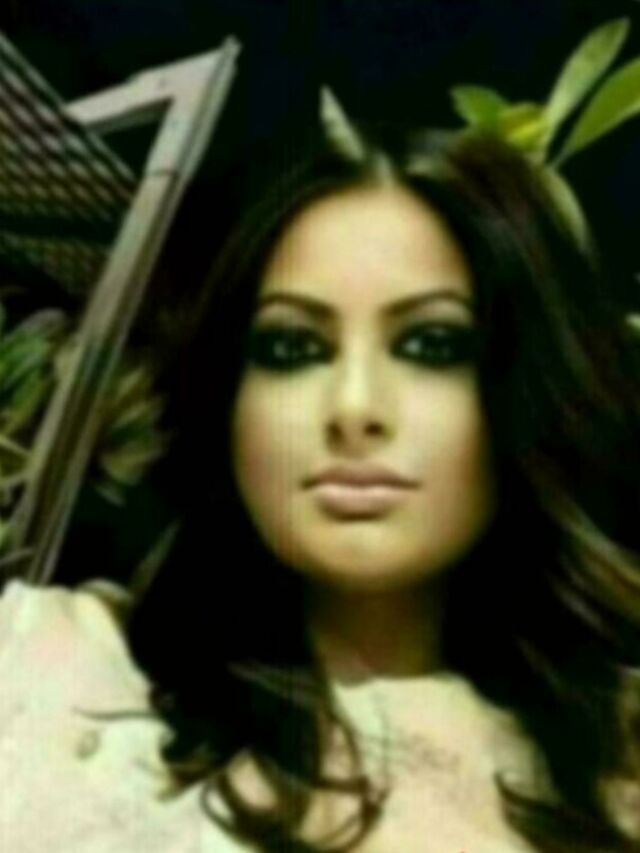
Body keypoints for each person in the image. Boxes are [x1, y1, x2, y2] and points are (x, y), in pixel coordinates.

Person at [2, 97, 640, 852]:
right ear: (226, 400)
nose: (355, 407)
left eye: (432, 345)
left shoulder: (614, 757)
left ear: (525, 393)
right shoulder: (51, 667)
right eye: (292, 348)